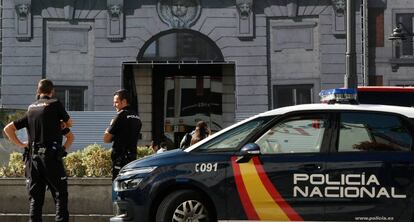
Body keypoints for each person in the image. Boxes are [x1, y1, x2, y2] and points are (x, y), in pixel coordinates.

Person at [3, 79, 73, 222]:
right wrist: (61, 124)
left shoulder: (30, 109)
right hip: (51, 158)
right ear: (51, 91)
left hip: (33, 159)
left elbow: (8, 128)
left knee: (36, 199)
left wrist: (22, 144)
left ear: (38, 91)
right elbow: (70, 123)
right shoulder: (55, 104)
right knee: (60, 195)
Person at [104, 89, 142, 181]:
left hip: (120, 160)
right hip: (132, 159)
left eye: (116, 102)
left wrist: (110, 126)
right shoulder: (137, 117)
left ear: (124, 101)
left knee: (118, 186)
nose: (114, 105)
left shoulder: (120, 115)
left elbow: (106, 139)